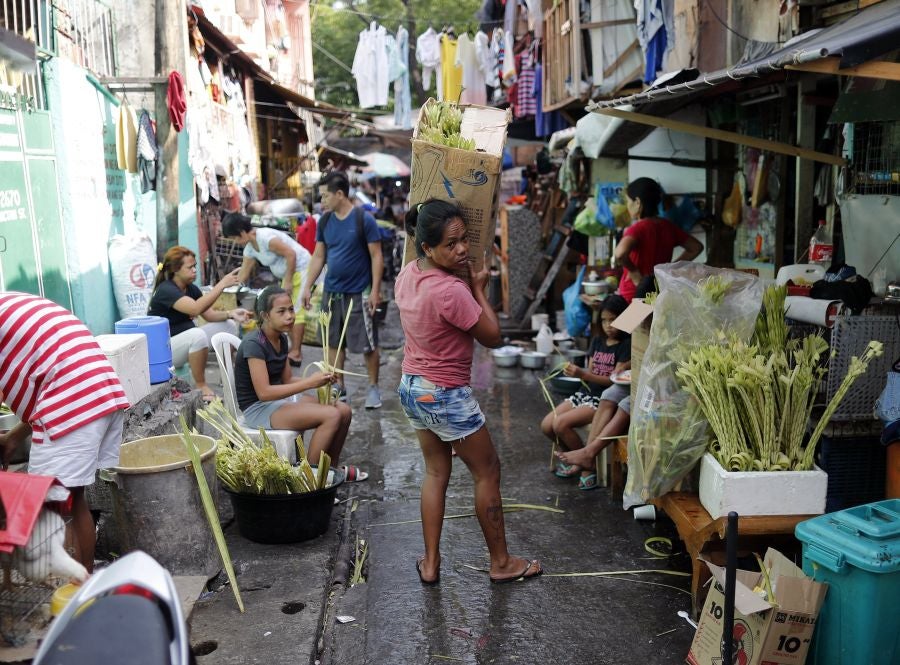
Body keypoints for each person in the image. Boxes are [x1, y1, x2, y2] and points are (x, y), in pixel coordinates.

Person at [395, 199, 542, 585]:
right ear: (427, 247)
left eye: (464, 239)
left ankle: (430, 563)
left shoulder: (409, 274)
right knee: (488, 471)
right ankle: (501, 563)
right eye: (450, 244)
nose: (461, 249)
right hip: (444, 393)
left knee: (435, 471)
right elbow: (493, 336)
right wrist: (478, 289)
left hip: (413, 387)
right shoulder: (450, 290)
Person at [0, 292, 130, 573]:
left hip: (73, 401)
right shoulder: (12, 304)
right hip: (99, 392)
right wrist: (13, 439)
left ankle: (74, 593)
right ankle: (81, 587)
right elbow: (50, 379)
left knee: (52, 507)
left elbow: (58, 384)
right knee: (73, 500)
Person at [233, 286, 366, 481]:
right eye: (281, 311)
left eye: (291, 309)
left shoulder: (281, 338)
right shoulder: (255, 344)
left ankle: (329, 471)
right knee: (331, 415)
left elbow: (287, 380)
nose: (289, 316)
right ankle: (309, 479)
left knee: (343, 410)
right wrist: (308, 384)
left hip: (278, 402)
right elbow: (264, 393)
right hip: (258, 408)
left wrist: (319, 380)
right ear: (265, 316)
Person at [301, 172, 385, 409]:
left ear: (340, 194)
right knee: (333, 343)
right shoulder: (325, 221)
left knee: (368, 343)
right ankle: (340, 387)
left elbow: (376, 256)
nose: (322, 201)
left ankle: (373, 388)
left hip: (358, 293)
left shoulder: (363, 219)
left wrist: (376, 290)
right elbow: (319, 255)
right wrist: (308, 286)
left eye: (325, 196)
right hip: (331, 292)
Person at [540, 294, 631, 490]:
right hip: (586, 392)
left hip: (603, 397)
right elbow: (590, 370)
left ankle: (587, 467)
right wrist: (578, 373)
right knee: (547, 425)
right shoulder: (597, 342)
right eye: (604, 320)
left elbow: (613, 382)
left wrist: (584, 375)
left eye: (613, 319)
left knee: (561, 424)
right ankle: (577, 459)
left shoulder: (626, 346)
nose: (608, 325)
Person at [147, 246, 250, 401]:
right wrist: (221, 285)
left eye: (195, 266)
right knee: (198, 335)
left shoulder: (191, 289)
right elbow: (195, 309)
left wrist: (231, 314)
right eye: (190, 267)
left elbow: (209, 315)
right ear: (176, 269)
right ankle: (201, 386)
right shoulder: (166, 290)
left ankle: (226, 377)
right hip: (164, 352)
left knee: (228, 326)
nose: (194, 270)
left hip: (182, 343)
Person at [221, 213, 314, 367]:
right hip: (288, 274)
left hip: (302, 269)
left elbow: (291, 254)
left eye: (234, 238)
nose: (235, 242)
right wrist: (224, 288)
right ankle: (293, 349)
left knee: (296, 310)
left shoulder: (265, 238)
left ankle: (296, 353)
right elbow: (243, 274)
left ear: (242, 232)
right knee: (286, 309)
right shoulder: (250, 248)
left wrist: (288, 281)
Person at [616, 178, 704, 303]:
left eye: (628, 201)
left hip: (633, 294)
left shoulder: (637, 229)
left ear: (637, 202)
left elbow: (620, 254)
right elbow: (696, 247)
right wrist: (669, 269)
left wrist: (634, 271)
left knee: (629, 323)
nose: (627, 205)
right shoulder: (668, 227)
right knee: (651, 322)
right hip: (658, 293)